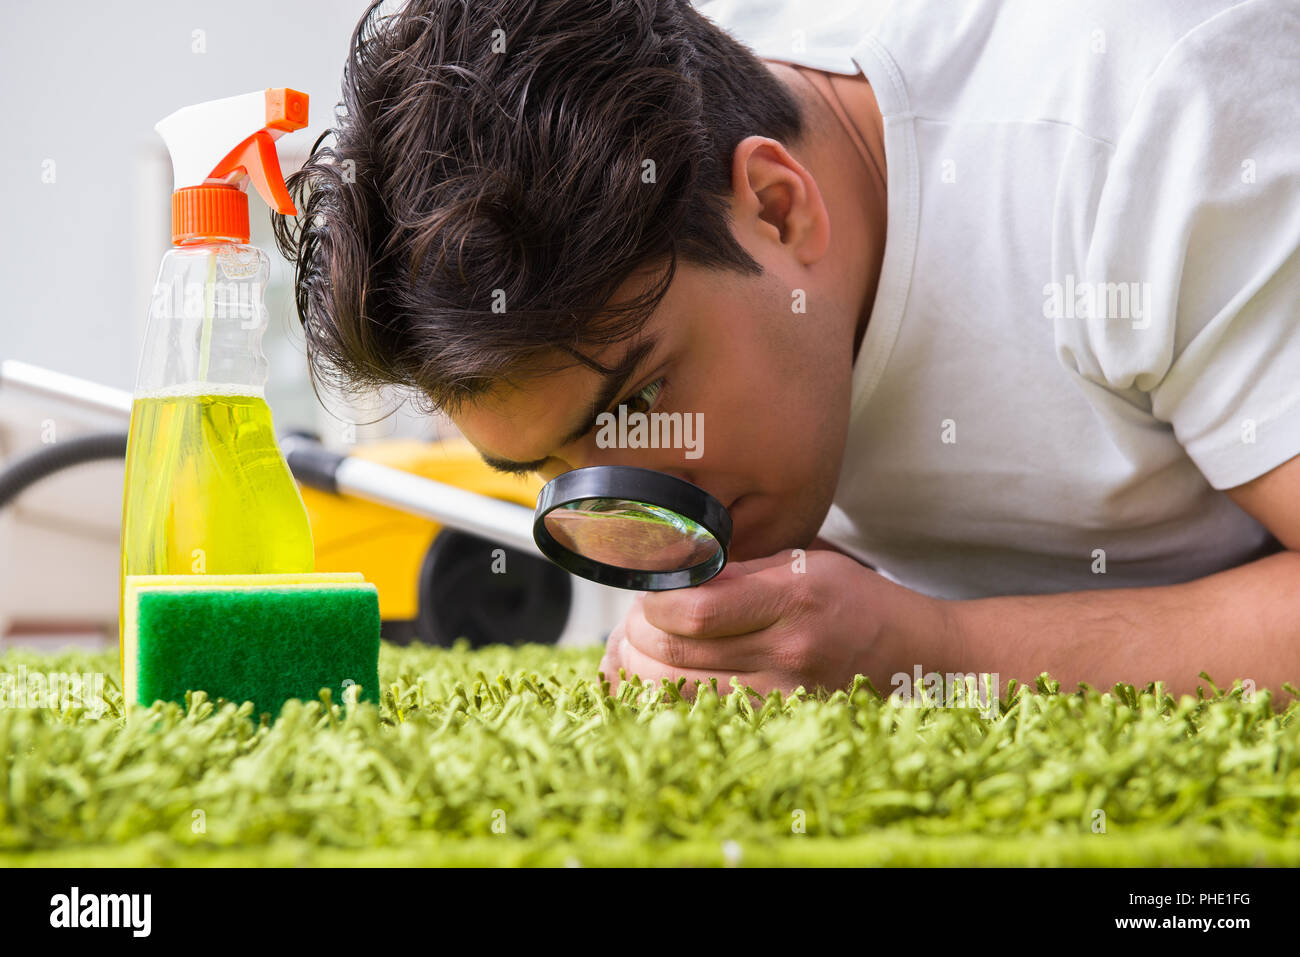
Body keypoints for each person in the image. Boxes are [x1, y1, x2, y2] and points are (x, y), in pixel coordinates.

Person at [273, 0, 1300, 703]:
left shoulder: (1151, 134)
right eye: (551, 470)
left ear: (776, 208)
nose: (650, 535)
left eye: (640, 405)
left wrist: (940, 655)